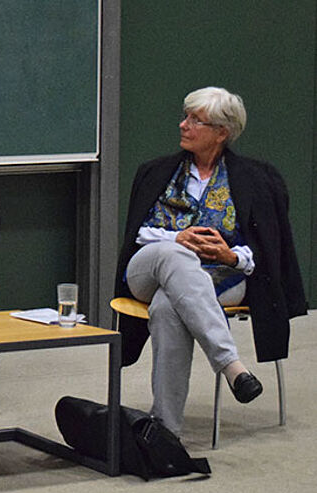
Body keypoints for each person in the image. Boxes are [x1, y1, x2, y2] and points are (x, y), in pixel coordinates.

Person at [115, 86, 307, 435]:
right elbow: (138, 234)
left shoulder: (256, 179)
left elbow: (266, 251)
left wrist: (230, 255)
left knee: (167, 308)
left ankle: (165, 430)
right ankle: (230, 364)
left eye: (194, 120)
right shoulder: (155, 172)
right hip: (149, 269)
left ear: (222, 132)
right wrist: (177, 238)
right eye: (185, 116)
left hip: (223, 276)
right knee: (175, 254)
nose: (183, 125)